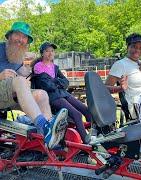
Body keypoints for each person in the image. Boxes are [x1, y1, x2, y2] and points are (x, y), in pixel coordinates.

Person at [0, 21, 68, 149]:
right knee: (20, 81)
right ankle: (44, 126)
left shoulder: (17, 56)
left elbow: (24, 71)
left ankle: (49, 137)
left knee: (41, 94)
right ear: (9, 36)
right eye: (17, 35)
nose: (21, 40)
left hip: (9, 95)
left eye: (24, 37)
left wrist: (37, 69)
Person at [31, 42, 92, 144]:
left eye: (52, 51)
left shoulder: (54, 67)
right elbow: (47, 85)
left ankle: (95, 133)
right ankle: (87, 141)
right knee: (76, 114)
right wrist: (58, 82)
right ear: (42, 53)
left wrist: (55, 82)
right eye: (47, 51)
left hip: (61, 92)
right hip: (51, 96)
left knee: (85, 110)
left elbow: (66, 82)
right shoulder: (38, 66)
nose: (50, 53)